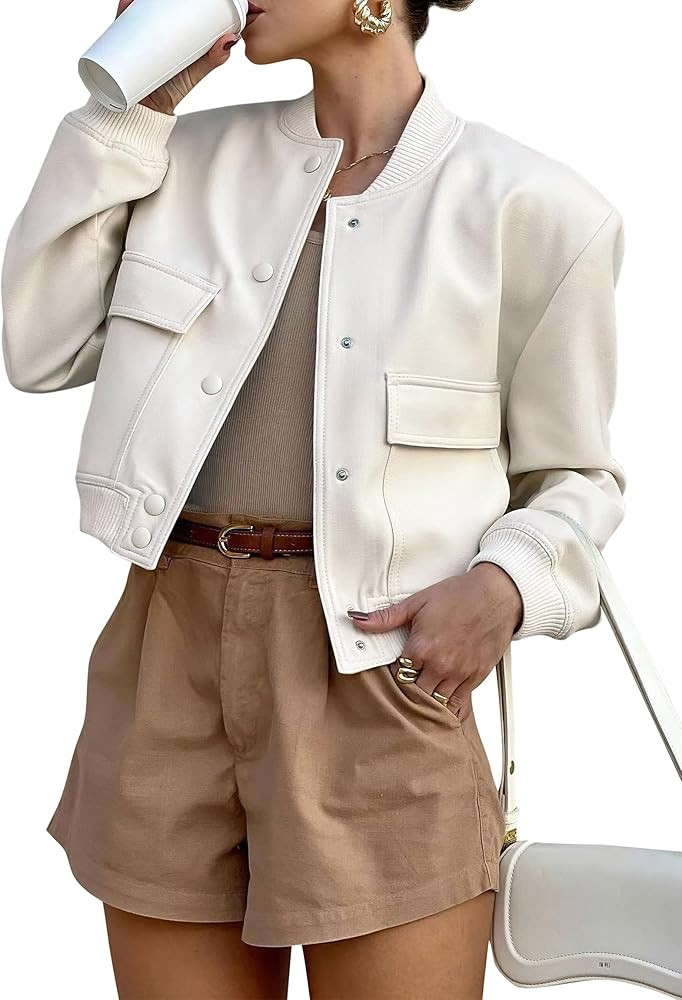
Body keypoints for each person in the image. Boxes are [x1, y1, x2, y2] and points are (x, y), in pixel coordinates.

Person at [1, 0, 627, 996]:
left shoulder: (535, 208)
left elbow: (576, 476)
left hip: (380, 669)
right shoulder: (179, 159)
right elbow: (38, 348)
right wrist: (132, 113)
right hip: (167, 654)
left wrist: (505, 587)